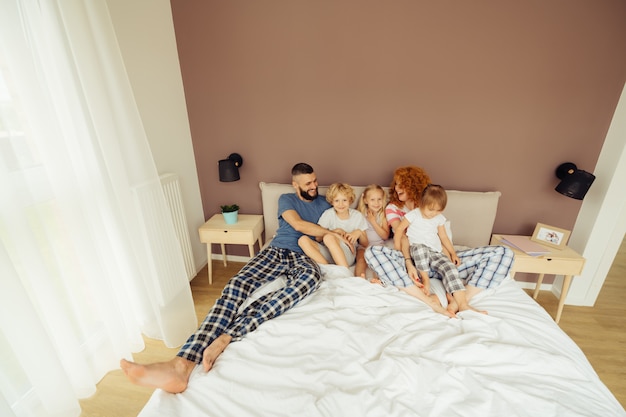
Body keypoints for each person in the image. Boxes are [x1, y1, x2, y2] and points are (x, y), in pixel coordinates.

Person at [120, 162, 336, 393]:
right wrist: (328, 232)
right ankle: (181, 364)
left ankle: (226, 337)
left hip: (304, 255)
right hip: (276, 251)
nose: (314, 186)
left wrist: (336, 234)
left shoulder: (325, 203)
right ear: (295, 185)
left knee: (310, 279)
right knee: (235, 286)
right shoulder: (286, 199)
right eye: (308, 183)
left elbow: (341, 221)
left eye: (315, 181)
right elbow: (297, 224)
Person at [364, 166, 514, 317]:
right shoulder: (393, 208)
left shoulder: (431, 204)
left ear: (412, 184)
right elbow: (403, 236)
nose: (397, 188)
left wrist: (450, 257)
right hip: (413, 260)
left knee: (503, 252)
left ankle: (460, 302)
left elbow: (440, 236)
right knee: (372, 251)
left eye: (401, 184)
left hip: (439, 258)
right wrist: (408, 263)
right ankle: (429, 301)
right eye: (395, 184)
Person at [393, 184, 485, 316]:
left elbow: (443, 236)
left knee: (449, 267)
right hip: (417, 249)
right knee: (420, 249)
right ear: (421, 203)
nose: (434, 214)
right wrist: (397, 247)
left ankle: (463, 304)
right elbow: (400, 230)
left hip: (435, 251)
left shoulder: (439, 219)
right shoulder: (413, 215)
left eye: (438, 210)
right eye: (431, 210)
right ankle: (426, 280)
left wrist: (453, 253)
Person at [298, 182, 368, 268]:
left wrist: (359, 232)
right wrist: (334, 232)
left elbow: (365, 244)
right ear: (332, 202)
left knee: (328, 237)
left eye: (344, 200)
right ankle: (328, 269)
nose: (341, 204)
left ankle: (344, 271)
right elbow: (318, 238)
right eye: (337, 201)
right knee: (302, 240)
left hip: (347, 255)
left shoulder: (357, 216)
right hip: (329, 253)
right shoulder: (328, 214)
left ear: (350, 201)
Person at [354, 184, 390, 278]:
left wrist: (373, 222)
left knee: (379, 261)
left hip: (379, 246)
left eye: (379, 199)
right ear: (366, 200)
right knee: (361, 259)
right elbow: (364, 242)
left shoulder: (382, 215)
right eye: (372, 200)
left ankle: (377, 279)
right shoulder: (360, 215)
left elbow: (385, 236)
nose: (376, 203)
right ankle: (360, 279)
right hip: (363, 246)